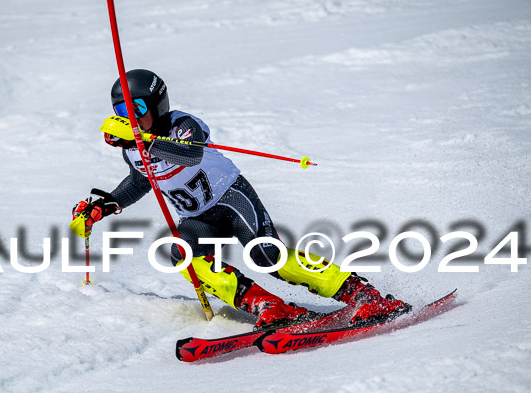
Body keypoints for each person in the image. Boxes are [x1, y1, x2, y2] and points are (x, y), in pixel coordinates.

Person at [72, 69, 410, 328]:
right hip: (200, 218)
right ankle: (268, 305)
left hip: (232, 199)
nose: (130, 116)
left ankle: (363, 295)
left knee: (266, 256)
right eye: (122, 109)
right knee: (183, 254)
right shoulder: (132, 148)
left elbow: (188, 155)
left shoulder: (182, 125)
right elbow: (138, 181)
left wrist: (147, 143)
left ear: (157, 106)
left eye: (138, 108)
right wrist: (103, 207)